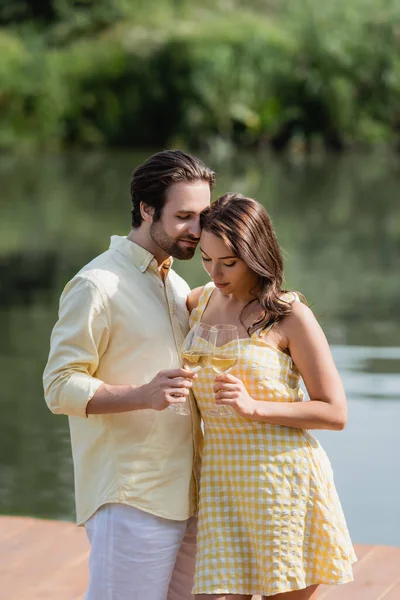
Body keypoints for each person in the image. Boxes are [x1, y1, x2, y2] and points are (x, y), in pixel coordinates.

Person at [43, 150, 216, 600]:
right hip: (132, 497)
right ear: (145, 209)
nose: (197, 230)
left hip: (191, 494)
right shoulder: (96, 284)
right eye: (184, 216)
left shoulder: (177, 285)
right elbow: (59, 386)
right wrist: (142, 394)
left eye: (203, 216)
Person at [187, 193, 357, 600]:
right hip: (221, 486)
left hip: (282, 485)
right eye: (207, 259)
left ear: (256, 253)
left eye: (229, 262)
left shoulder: (288, 314)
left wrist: (254, 406)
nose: (216, 272)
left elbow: (335, 412)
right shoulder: (197, 301)